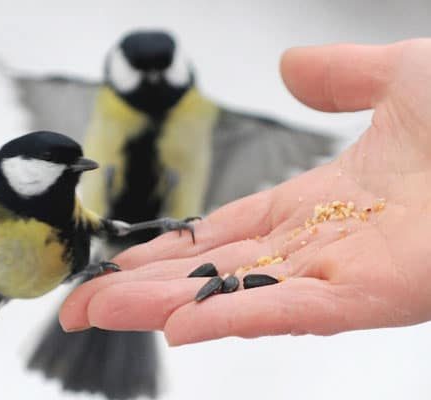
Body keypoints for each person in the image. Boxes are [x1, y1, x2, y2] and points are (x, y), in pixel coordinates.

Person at [58, 39, 431, 346]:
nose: (152, 77)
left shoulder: (206, 116)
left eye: (162, 68)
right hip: (110, 227)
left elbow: (270, 141)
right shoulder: (99, 102)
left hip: (172, 228)